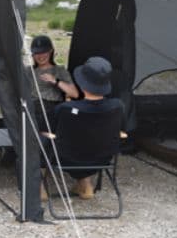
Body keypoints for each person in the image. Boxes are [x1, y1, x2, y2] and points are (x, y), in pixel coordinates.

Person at [44, 56, 123, 200]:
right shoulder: (117, 106)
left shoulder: (66, 108)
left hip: (65, 159)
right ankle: (85, 183)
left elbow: (48, 128)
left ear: (82, 83)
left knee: (38, 135)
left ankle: (39, 186)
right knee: (87, 142)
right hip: (101, 160)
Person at [25, 34, 79, 132]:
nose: (40, 56)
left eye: (44, 52)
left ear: (51, 51)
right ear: (32, 54)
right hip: (31, 111)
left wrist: (56, 81)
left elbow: (74, 94)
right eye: (37, 53)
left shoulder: (59, 70)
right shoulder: (28, 71)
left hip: (51, 110)